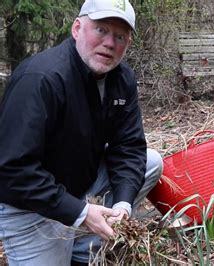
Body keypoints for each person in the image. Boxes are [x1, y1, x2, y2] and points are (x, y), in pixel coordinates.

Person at [0, 0, 162, 265]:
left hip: (76, 181)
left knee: (150, 162)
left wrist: (122, 205)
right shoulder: (41, 78)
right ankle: (75, 232)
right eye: (101, 30)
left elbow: (129, 146)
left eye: (120, 36)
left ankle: (82, 246)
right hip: (27, 205)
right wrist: (80, 212)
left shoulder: (122, 79)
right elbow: (12, 169)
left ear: (128, 43)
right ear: (77, 28)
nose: (110, 43)